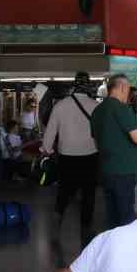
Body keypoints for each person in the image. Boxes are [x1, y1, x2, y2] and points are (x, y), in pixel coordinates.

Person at [42, 72, 100, 243]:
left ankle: (55, 231)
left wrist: (47, 150)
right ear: (88, 86)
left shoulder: (60, 105)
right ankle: (86, 232)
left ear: (73, 86)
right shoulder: (96, 106)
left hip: (67, 157)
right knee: (88, 195)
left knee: (64, 193)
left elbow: (50, 132)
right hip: (90, 156)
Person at [91, 73, 137, 229]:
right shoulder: (120, 108)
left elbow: (97, 143)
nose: (129, 93)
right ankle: (126, 251)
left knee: (112, 217)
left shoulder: (97, 111)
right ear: (122, 87)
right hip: (125, 172)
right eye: (128, 89)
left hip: (107, 171)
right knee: (127, 218)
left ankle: (113, 248)